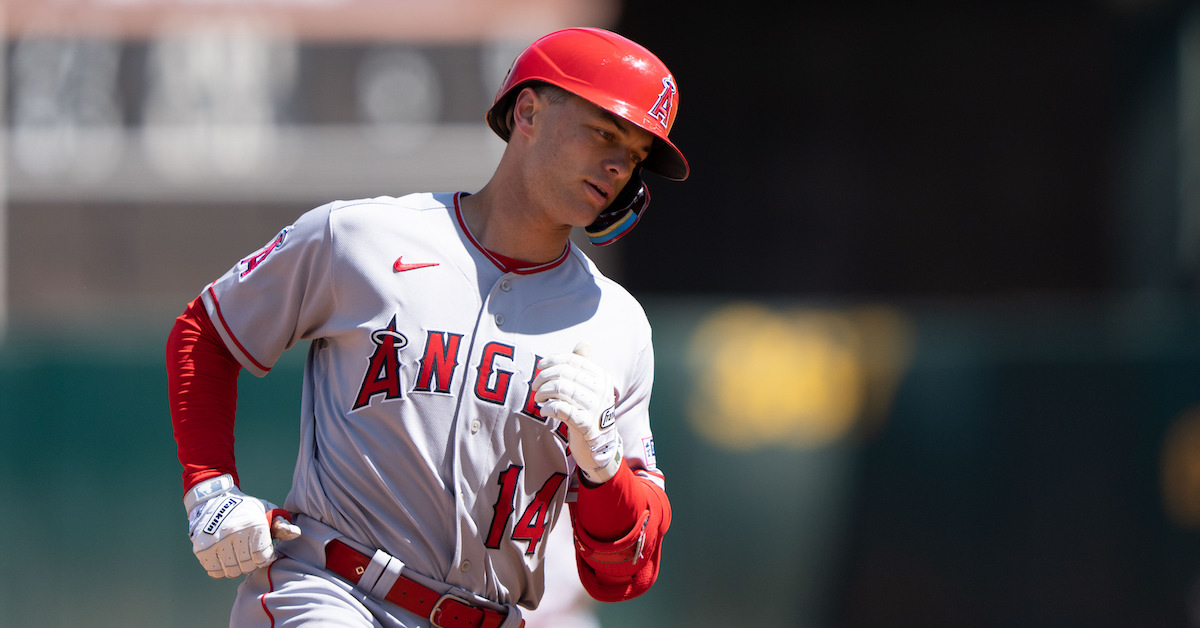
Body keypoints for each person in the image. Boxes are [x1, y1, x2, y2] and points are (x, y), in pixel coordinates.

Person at [165, 26, 688, 627]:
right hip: (334, 589)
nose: (620, 164)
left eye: (636, 154)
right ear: (528, 111)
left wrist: (604, 469)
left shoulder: (616, 323)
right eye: (605, 132)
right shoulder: (361, 238)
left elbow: (623, 574)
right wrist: (208, 487)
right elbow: (207, 331)